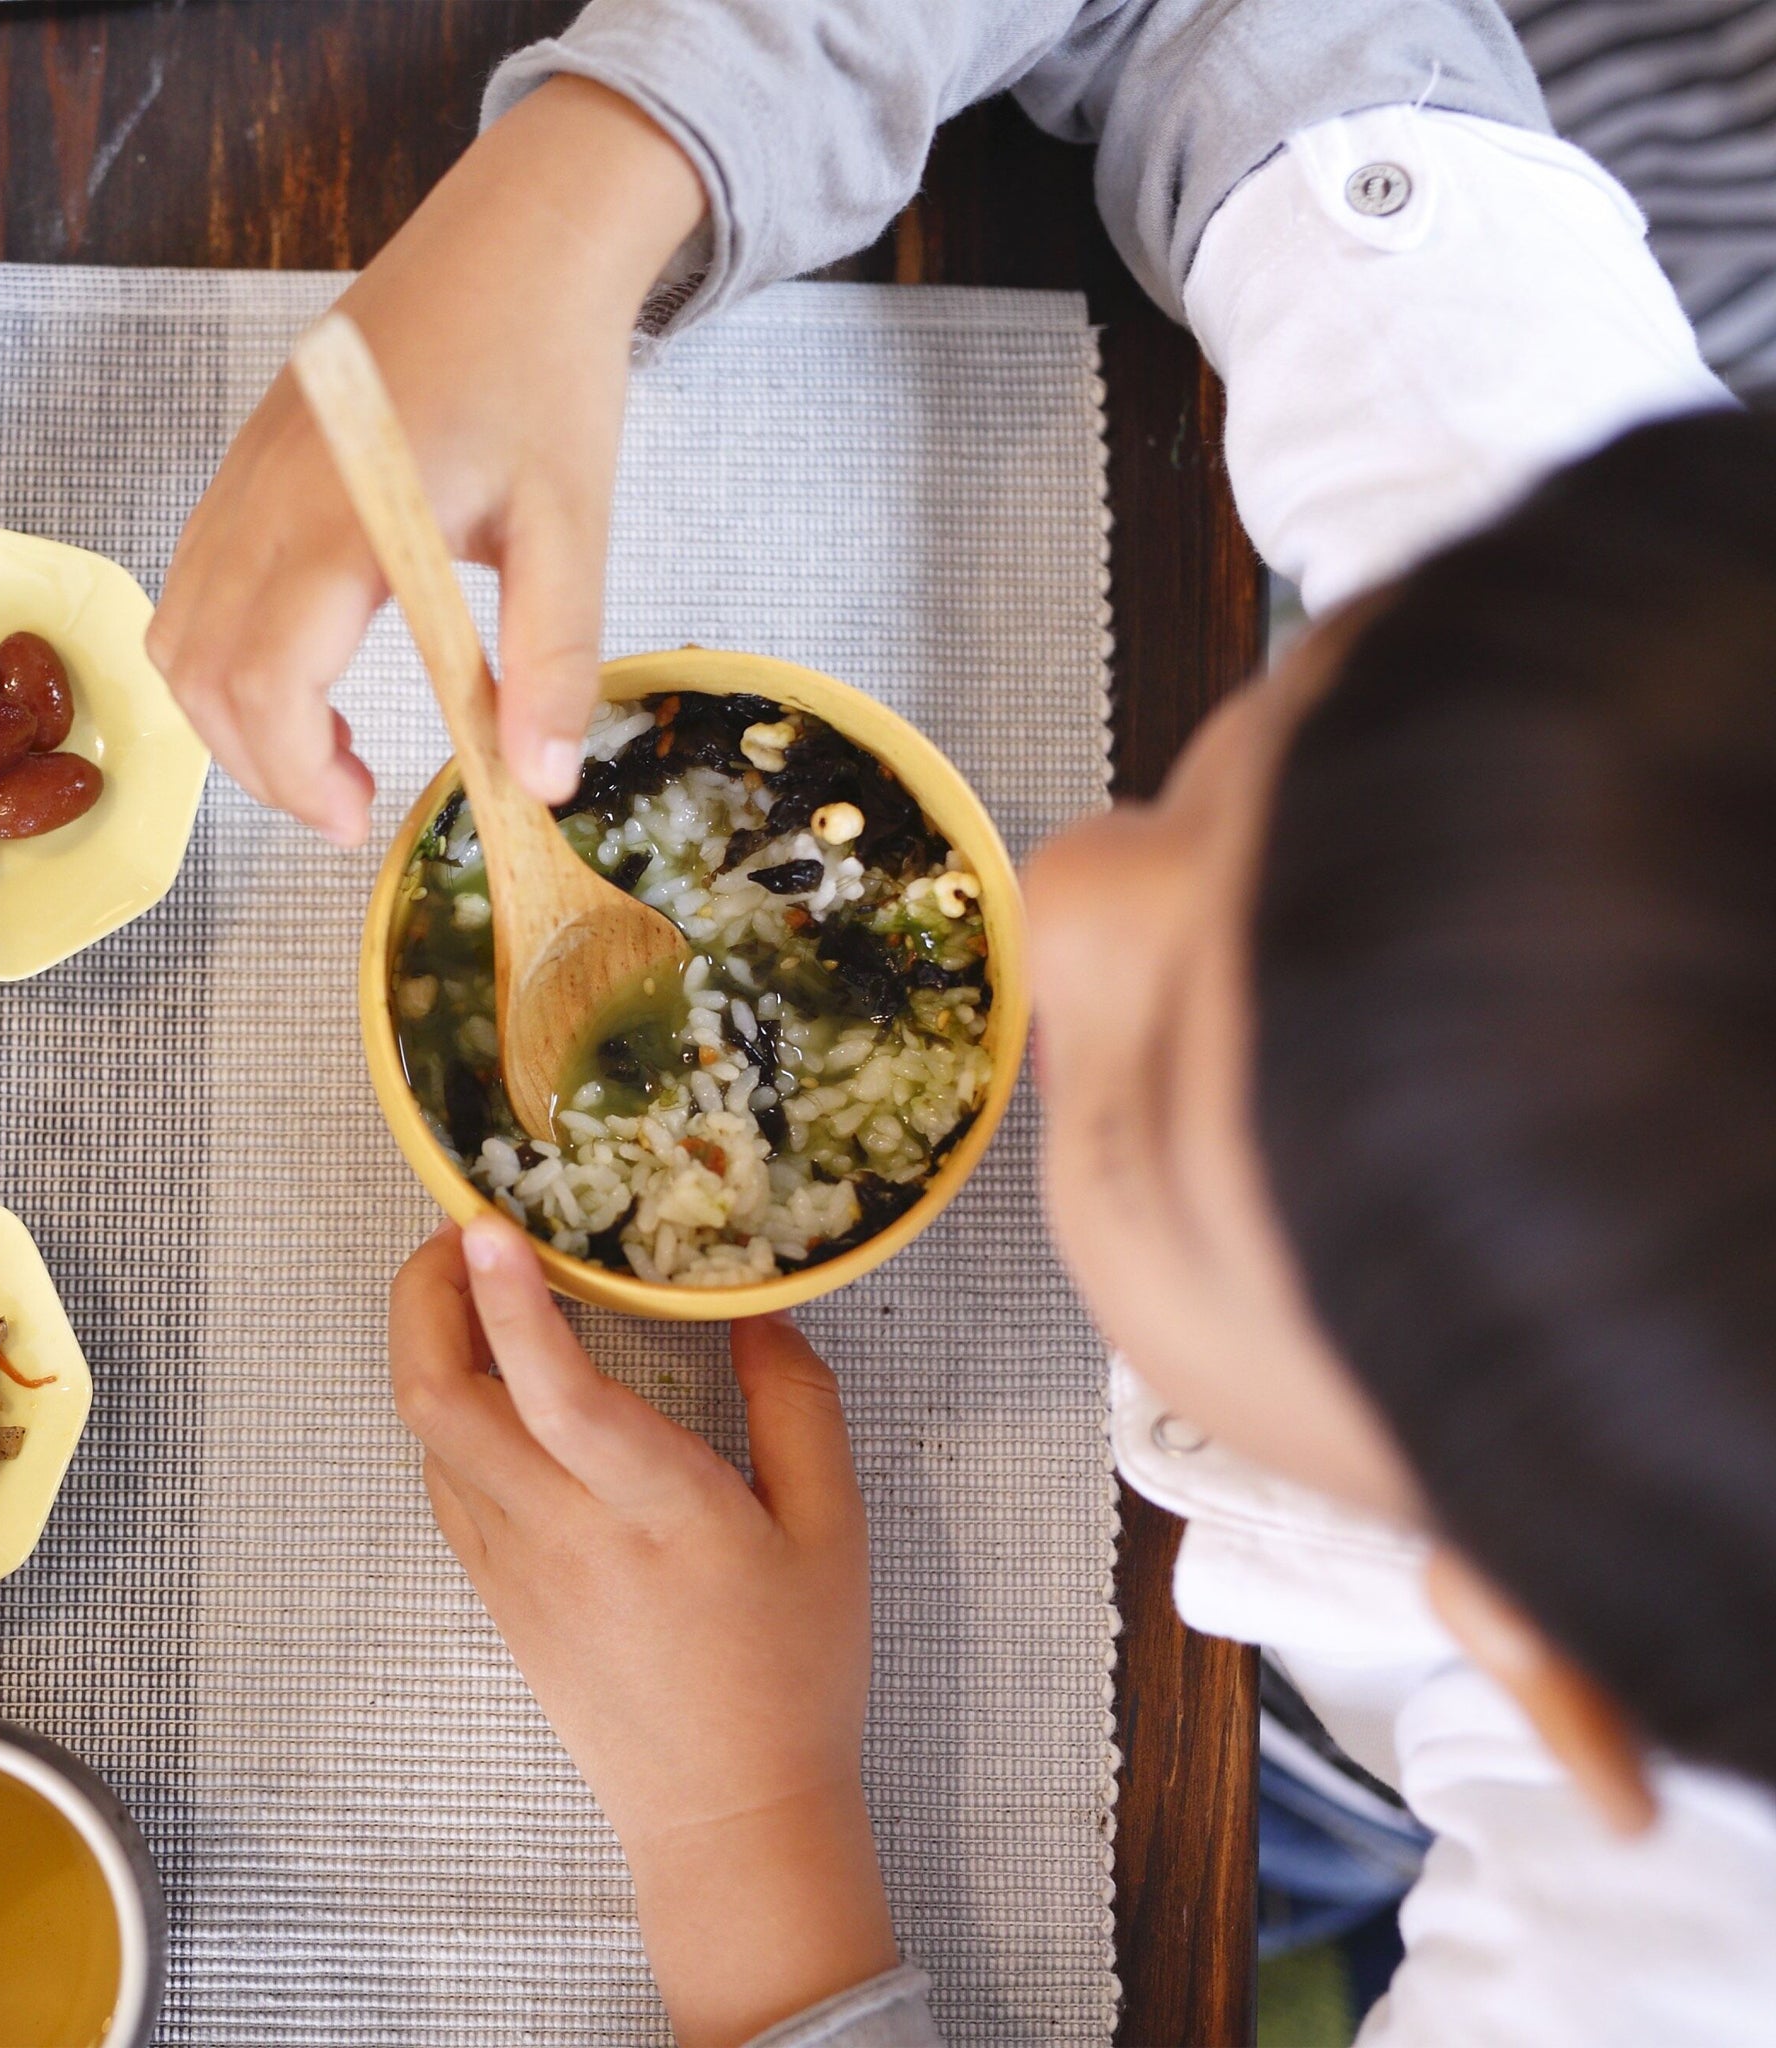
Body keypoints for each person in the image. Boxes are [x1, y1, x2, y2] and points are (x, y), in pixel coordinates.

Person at [147, 3, 1775, 2042]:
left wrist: (749, 1824)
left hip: (1339, 1780)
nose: (1058, 898)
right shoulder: (1600, 651)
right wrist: (592, 175)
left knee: (1304, 1848)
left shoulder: (1653, 1965)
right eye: (1236, 755)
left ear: (1528, 1658)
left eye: (1147, 1117)